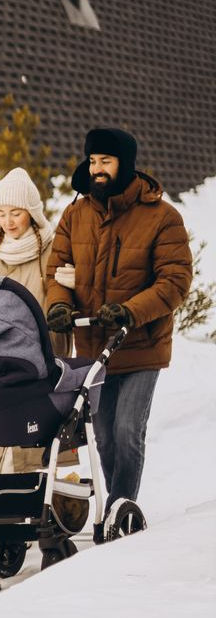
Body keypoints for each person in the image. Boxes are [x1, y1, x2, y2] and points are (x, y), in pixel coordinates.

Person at [45, 127, 192, 513]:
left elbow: (175, 281)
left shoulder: (162, 216)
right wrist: (59, 305)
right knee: (106, 437)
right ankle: (118, 509)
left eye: (105, 162)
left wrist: (130, 310)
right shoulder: (76, 215)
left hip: (142, 344)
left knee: (128, 431)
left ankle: (120, 506)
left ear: (124, 165)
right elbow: (57, 270)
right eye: (93, 161)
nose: (97, 169)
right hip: (96, 347)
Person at [0, 167, 74, 473]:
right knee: (3, 440)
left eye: (16, 213)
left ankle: (49, 502)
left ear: (32, 213)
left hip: (40, 360)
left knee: (35, 442)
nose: (8, 221)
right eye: (2, 213)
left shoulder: (51, 250)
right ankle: (7, 500)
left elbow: (64, 299)